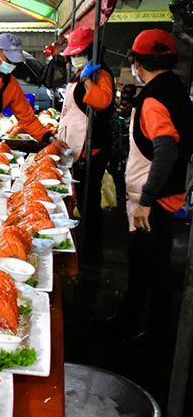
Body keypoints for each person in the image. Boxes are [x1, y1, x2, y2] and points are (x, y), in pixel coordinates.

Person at [113, 29, 193, 343]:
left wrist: (146, 199)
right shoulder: (175, 88)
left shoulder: (153, 99)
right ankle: (128, 320)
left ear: (138, 62)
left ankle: (156, 337)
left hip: (155, 200)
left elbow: (167, 149)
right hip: (166, 192)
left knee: (155, 267)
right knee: (142, 261)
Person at [57, 26, 115, 264]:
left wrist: (88, 80)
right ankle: (82, 243)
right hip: (76, 146)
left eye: (79, 53)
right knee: (80, 199)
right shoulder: (80, 73)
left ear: (93, 51)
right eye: (73, 54)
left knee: (90, 203)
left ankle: (92, 253)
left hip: (92, 149)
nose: (75, 58)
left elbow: (102, 102)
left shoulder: (100, 74)